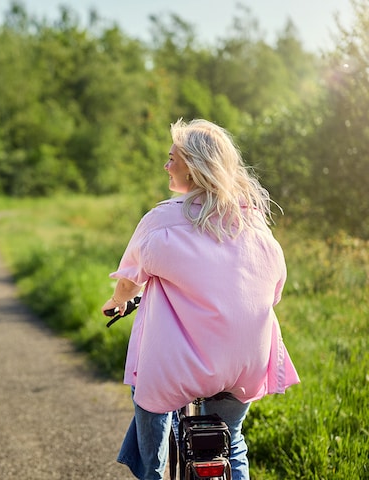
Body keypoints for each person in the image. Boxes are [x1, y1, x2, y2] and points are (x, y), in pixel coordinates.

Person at [101, 119, 300, 480]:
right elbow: (275, 292)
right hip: (245, 363)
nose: (166, 165)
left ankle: (152, 473)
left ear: (192, 168)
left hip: (177, 368)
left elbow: (130, 280)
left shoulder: (162, 219)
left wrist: (116, 302)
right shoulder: (254, 223)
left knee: (150, 403)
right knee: (233, 440)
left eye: (171, 158)